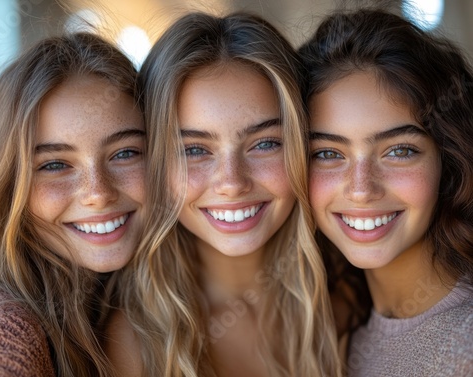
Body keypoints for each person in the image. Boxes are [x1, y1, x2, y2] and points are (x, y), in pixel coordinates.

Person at [105, 11, 341, 377]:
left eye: (264, 144)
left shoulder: (345, 304)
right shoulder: (133, 343)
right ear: (154, 161)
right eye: (194, 150)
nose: (232, 182)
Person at [298, 8, 473, 376]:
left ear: (448, 160)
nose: (362, 189)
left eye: (399, 150)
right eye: (328, 153)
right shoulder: (333, 335)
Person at [0, 32, 146, 376]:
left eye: (124, 153)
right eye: (54, 165)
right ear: (7, 185)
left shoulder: (153, 296)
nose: (97, 192)